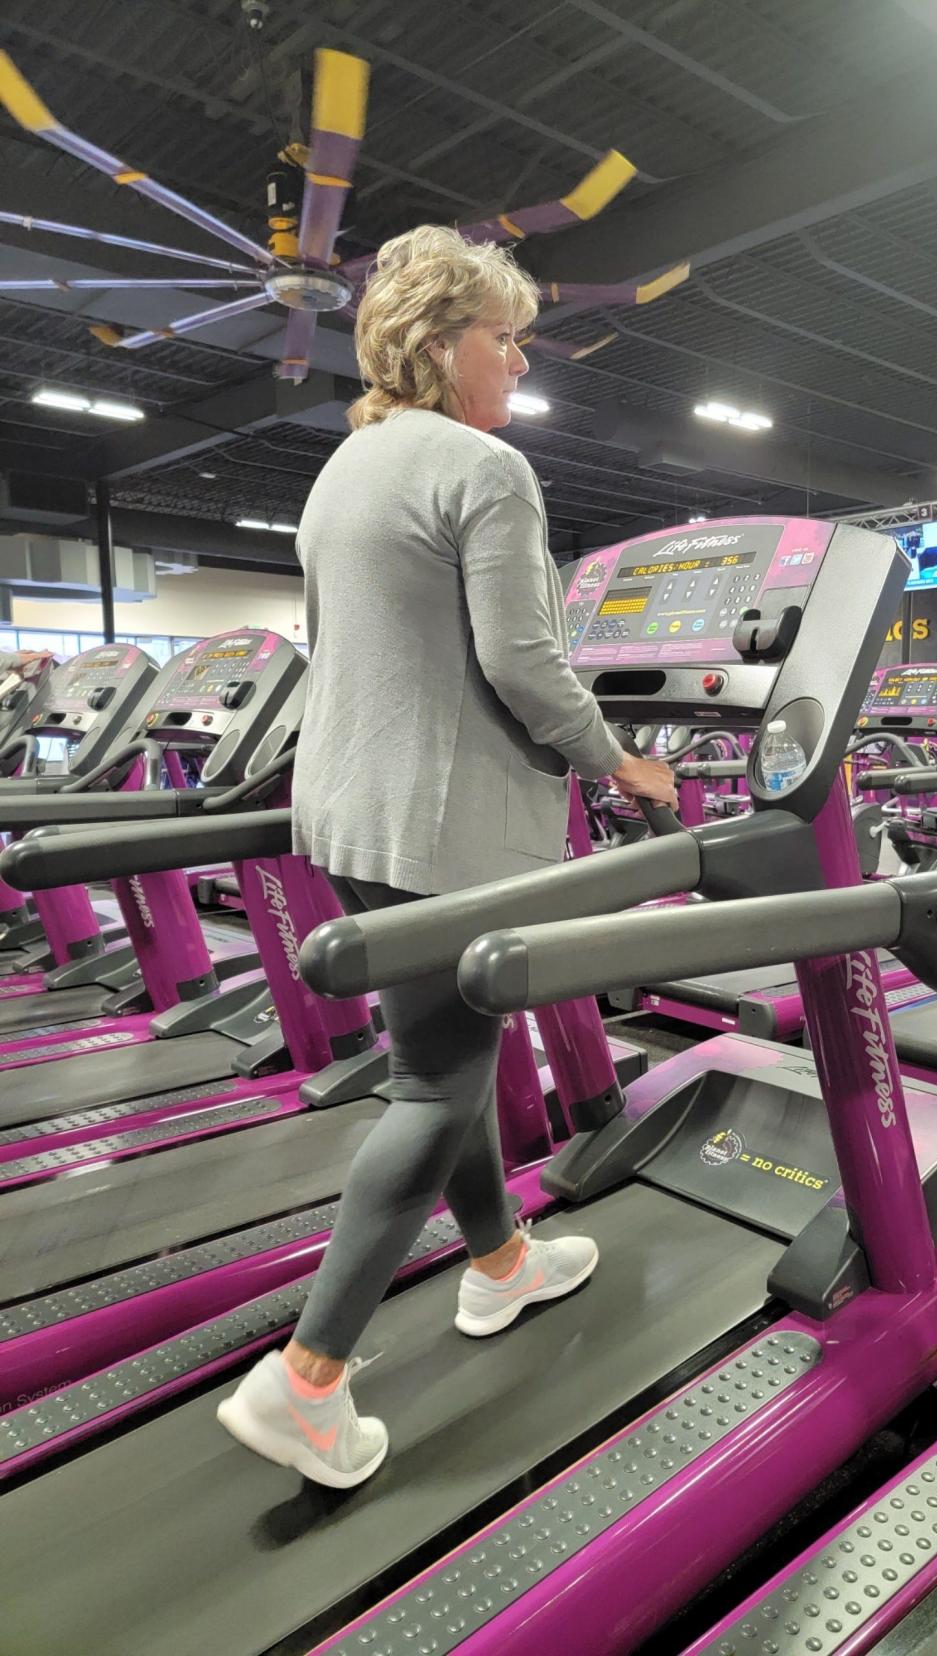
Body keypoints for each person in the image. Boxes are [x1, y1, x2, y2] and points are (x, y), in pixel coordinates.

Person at [217, 225, 676, 1488]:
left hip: (348, 817)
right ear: (437, 343)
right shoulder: (484, 466)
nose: (521, 362)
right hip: (446, 829)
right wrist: (618, 762)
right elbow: (525, 662)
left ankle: (499, 1263)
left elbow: (339, 646)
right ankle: (308, 1381)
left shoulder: (346, 469)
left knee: (445, 1057)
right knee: (434, 1084)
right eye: (504, 336)